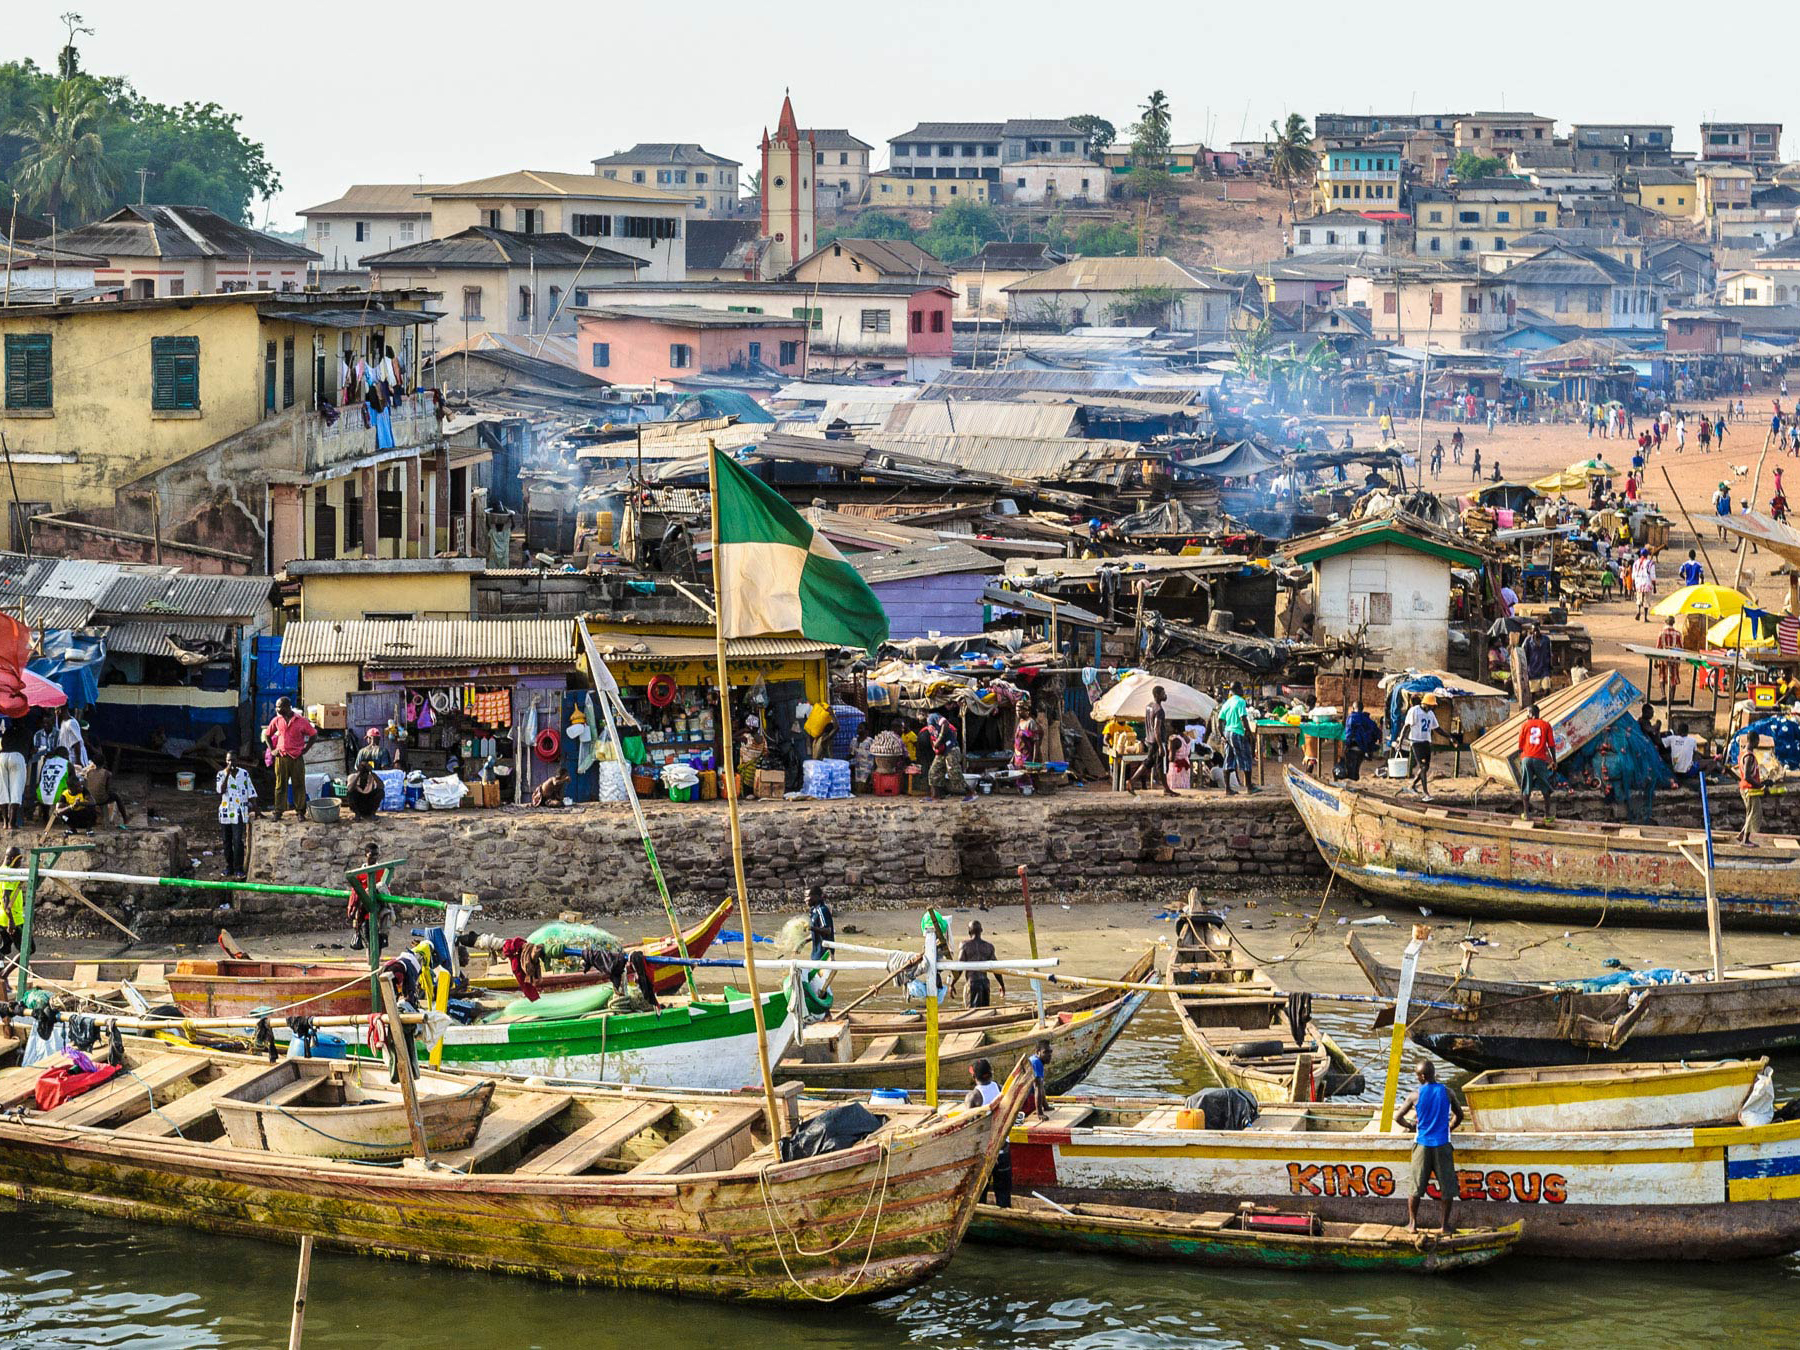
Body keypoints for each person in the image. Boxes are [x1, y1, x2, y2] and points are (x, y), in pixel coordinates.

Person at [1396, 1059, 1465, 1234]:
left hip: (1422, 1144)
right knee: (1447, 1187)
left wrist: (1411, 1127)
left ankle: (1412, 1224)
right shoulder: (1447, 1092)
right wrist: (1450, 1127)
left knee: (1416, 1187)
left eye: (1417, 1075)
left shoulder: (1415, 1095)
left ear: (1423, 1076)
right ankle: (1444, 1226)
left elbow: (1397, 1117)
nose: (1417, 1078)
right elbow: (1460, 1115)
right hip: (1442, 1144)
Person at [965, 1059, 1012, 1207]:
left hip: (984, 1152)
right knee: (1004, 1194)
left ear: (974, 1077)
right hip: (1003, 1149)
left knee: (980, 1195)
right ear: (990, 1074)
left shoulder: (973, 1097)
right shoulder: (999, 1088)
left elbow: (968, 1127)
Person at [263, 698, 317, 820]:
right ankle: (278, 811)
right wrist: (272, 750)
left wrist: (306, 749)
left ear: (287, 707)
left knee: (299, 784)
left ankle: (300, 812)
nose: (277, 709)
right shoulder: (277, 720)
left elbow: (314, 735)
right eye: (276, 707)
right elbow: (267, 735)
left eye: (279, 707)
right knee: (280, 785)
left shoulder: (301, 721)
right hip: (281, 757)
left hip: (296, 758)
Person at [215, 751, 258, 881]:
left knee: (238, 841)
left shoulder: (244, 774)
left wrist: (256, 809)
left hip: (239, 812)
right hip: (226, 812)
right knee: (226, 841)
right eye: (228, 760)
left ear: (237, 760)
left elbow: (251, 792)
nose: (230, 763)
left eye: (232, 760)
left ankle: (238, 869)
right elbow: (220, 790)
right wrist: (227, 774)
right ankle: (229, 867)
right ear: (225, 761)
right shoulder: (221, 774)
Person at [1129, 685, 1177, 797]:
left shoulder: (1149, 706)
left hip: (1149, 739)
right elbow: (1157, 729)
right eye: (1163, 693)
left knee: (1148, 762)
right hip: (1156, 741)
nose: (1165, 695)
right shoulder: (1159, 710)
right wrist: (1161, 746)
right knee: (1160, 765)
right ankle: (1166, 789)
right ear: (1157, 695)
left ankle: (1131, 781)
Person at [950, 919, 1004, 1009]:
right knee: (985, 1012)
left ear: (969, 931)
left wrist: (952, 984)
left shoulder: (965, 945)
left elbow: (959, 967)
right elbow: (996, 968)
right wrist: (1001, 984)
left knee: (971, 1012)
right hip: (985, 984)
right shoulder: (988, 947)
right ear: (981, 930)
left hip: (972, 983)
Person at [1518, 701, 1556, 822]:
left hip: (1527, 758)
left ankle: (1526, 814)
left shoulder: (1525, 725)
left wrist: (1523, 759)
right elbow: (1551, 745)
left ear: (1531, 714)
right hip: (1540, 759)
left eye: (1527, 713)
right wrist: (1554, 760)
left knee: (1526, 786)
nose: (1527, 715)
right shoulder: (1546, 725)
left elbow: (1520, 746)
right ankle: (1547, 815)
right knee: (1544, 786)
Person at [925, 713, 973, 803]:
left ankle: (970, 793)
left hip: (951, 749)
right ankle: (935, 796)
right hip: (942, 751)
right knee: (934, 771)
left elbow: (945, 724)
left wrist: (940, 739)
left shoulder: (933, 717)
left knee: (954, 772)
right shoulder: (928, 726)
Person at [1217, 683, 1254, 795]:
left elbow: (1220, 721)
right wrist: (1248, 732)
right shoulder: (1240, 701)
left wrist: (1222, 735)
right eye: (1241, 688)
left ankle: (1228, 788)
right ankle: (1249, 787)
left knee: (1229, 759)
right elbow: (1243, 718)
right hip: (1237, 732)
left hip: (1227, 732)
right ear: (1237, 689)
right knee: (1246, 758)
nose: (1243, 690)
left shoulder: (1226, 703)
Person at [1402, 693, 1439, 799]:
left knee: (1426, 767)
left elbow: (1436, 728)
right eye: (1431, 705)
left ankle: (1412, 785)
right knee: (1422, 767)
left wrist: (1450, 737)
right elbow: (1406, 727)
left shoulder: (1430, 714)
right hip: (1416, 741)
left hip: (1426, 741)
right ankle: (1425, 793)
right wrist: (1400, 741)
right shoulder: (1414, 711)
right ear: (1426, 704)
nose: (1432, 707)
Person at [0, 712, 30, 830]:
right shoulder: (27, 732)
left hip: (2, 758)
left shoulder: (7, 731)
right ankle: (12, 823)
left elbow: (3, 745)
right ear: (23, 721)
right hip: (18, 758)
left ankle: (5, 823)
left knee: (3, 791)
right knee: (16, 791)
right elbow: (31, 749)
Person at [1339, 701, 1381, 782]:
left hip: (1352, 748)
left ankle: (1352, 787)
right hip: (1362, 749)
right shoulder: (1367, 719)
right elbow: (1376, 731)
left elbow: (1349, 734)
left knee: (1350, 770)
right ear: (1362, 709)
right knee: (1356, 768)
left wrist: (1345, 746)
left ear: (1353, 708)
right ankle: (1355, 782)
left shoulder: (1352, 718)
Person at [1739, 735, 1768, 845]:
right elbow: (1747, 776)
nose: (1758, 744)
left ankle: (1742, 834)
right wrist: (1759, 786)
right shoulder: (1749, 756)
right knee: (1755, 813)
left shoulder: (1743, 752)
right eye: (1758, 741)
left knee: (1750, 812)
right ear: (1755, 741)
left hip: (1747, 788)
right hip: (1750, 789)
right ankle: (1745, 840)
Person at [0, 847, 23, 958]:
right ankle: (5, 973)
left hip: (4, 916)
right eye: (19, 860)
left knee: (5, 948)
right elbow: (5, 899)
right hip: (12, 917)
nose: (20, 863)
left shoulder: (4, 870)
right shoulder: (8, 874)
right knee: (27, 949)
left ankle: (1, 970)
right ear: (12, 859)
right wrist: (11, 921)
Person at [1663, 720, 1701, 786]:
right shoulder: (1692, 740)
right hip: (1688, 772)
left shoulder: (1672, 738)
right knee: (1709, 763)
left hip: (1675, 771)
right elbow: (1696, 753)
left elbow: (1660, 741)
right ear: (1687, 732)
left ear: (1678, 731)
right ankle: (1699, 779)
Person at [1522, 625, 1553, 697]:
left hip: (1544, 668)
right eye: (1534, 630)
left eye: (1537, 630)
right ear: (1531, 631)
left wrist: (1550, 666)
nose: (1536, 632)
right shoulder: (1528, 641)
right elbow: (1524, 654)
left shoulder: (1546, 640)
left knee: (1547, 689)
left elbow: (1550, 653)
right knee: (1533, 692)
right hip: (1533, 669)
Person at [806, 885, 834, 962]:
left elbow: (827, 930)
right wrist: (803, 942)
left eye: (807, 896)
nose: (805, 899)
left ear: (815, 896)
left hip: (824, 955)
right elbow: (815, 933)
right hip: (816, 954)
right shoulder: (813, 910)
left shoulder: (822, 910)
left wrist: (811, 928)